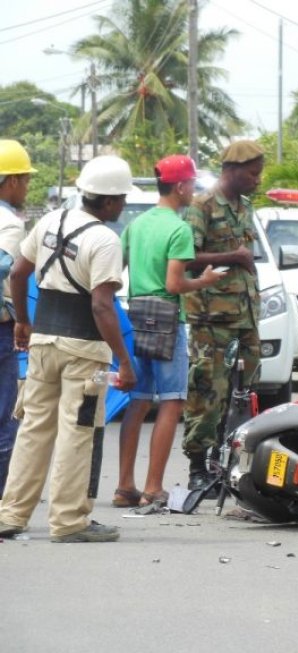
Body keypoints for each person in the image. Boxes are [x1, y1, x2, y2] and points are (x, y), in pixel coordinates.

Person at [0, 155, 137, 543]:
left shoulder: (50, 221)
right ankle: (69, 520)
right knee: (78, 433)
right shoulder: (104, 240)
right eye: (121, 200)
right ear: (109, 202)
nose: (122, 207)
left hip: (43, 341)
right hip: (84, 351)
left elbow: (17, 273)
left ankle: (10, 515)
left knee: (34, 430)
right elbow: (101, 305)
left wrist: (24, 322)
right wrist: (125, 363)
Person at [113, 155, 225, 509]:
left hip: (136, 313)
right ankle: (153, 487)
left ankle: (124, 486)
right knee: (173, 400)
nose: (193, 190)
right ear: (180, 187)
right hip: (165, 317)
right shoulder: (178, 229)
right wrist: (204, 281)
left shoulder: (137, 224)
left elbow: (119, 272)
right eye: (192, 183)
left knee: (139, 398)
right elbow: (174, 283)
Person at [183, 140, 264, 492]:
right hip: (212, 318)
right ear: (231, 170)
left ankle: (226, 464)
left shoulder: (244, 206)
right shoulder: (201, 206)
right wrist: (233, 256)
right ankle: (198, 469)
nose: (257, 180)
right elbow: (185, 257)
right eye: (252, 173)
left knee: (244, 393)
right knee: (207, 391)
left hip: (245, 316)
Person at [0, 140, 34, 497]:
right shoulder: (9, 223)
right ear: (10, 182)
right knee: (4, 420)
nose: (25, 188)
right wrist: (22, 319)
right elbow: (8, 271)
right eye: (24, 180)